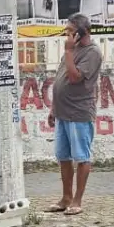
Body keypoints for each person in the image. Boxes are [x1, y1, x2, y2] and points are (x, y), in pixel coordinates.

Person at [46, 13, 103, 216]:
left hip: (79, 112)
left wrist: (69, 51)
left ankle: (77, 200)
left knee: (81, 157)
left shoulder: (92, 52)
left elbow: (74, 77)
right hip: (62, 111)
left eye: (70, 32)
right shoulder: (72, 50)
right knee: (63, 156)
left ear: (82, 32)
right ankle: (66, 197)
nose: (67, 36)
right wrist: (54, 108)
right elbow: (60, 77)